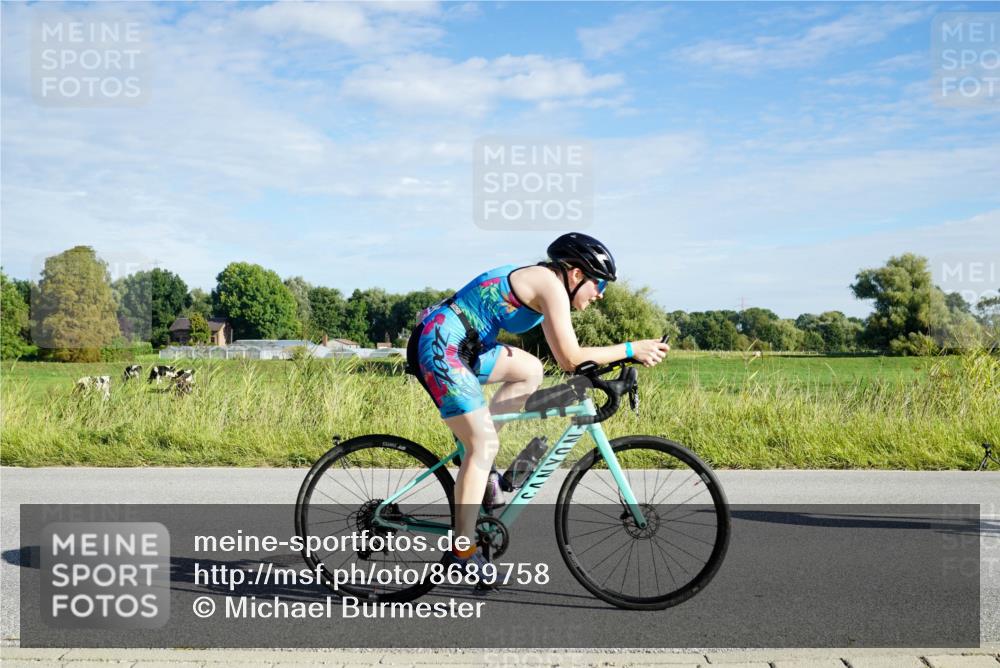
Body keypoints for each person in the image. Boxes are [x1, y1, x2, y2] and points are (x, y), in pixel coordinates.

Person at [406, 232, 670, 584]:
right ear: (576, 274)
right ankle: (462, 552)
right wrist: (629, 348)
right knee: (482, 445)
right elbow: (572, 357)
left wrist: (608, 369)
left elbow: (566, 362)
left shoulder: (550, 289)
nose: (601, 295)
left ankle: (480, 468)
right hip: (440, 345)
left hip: (466, 346)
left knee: (530, 370)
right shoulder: (551, 286)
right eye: (599, 284)